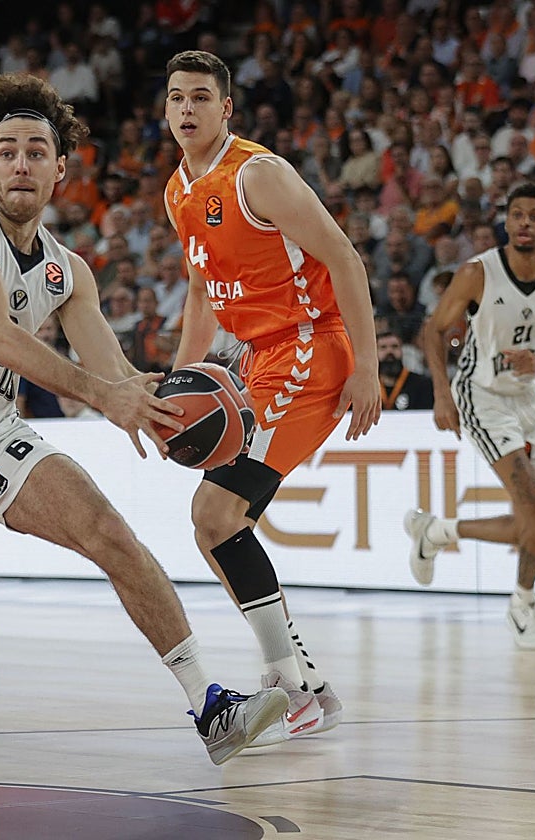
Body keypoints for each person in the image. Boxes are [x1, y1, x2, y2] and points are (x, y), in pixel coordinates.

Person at [0, 73, 287, 769]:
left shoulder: (68, 271)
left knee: (109, 533)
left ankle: (210, 705)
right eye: (7, 152)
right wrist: (104, 396)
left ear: (61, 169)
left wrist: (175, 409)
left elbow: (114, 375)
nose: (21, 164)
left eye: (36, 152)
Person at [163, 51, 382, 746]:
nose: (187, 108)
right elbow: (201, 292)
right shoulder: (177, 191)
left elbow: (345, 257)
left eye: (201, 97)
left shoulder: (257, 174)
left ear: (226, 108)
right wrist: (177, 383)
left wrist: (368, 367)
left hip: (310, 346)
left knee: (214, 513)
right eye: (177, 97)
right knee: (219, 530)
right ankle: (305, 682)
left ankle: (292, 686)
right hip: (259, 358)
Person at [405, 183, 535, 652]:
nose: (525, 222)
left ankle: (436, 532)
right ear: (506, 222)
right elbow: (434, 329)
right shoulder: (478, 272)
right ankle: (522, 606)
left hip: (526, 397)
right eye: (517, 214)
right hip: (481, 394)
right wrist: (442, 393)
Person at [377, 330, 434, 411]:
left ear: (402, 350)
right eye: (383, 347)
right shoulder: (368, 386)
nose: (389, 351)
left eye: (395, 346)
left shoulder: (422, 384)